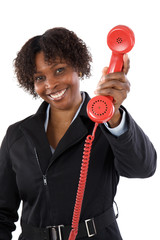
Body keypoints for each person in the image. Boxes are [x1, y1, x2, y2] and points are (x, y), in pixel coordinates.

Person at [0, 27, 157, 240]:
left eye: (59, 70)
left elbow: (142, 168)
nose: (50, 84)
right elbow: (2, 212)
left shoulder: (105, 124)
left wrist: (113, 115)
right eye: (39, 77)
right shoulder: (17, 135)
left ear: (79, 68)